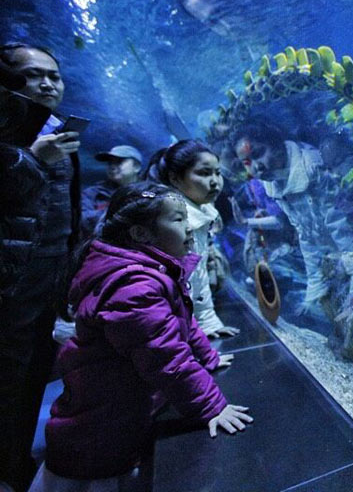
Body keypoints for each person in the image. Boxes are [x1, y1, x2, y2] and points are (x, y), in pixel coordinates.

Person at [30, 182, 252, 491]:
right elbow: (166, 357)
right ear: (140, 234)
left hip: (119, 406)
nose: (189, 228)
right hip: (99, 426)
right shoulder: (134, 287)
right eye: (177, 220)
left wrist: (208, 356)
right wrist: (212, 405)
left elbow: (182, 323)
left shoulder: (149, 270)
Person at [0, 43, 81, 492]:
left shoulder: (55, 129)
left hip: (48, 272)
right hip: (12, 277)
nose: (49, 83)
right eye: (34, 75)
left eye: (54, 75)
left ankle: (14, 464)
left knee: (34, 369)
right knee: (8, 371)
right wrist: (34, 157)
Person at [230, 124, 353, 312]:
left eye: (258, 153)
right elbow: (306, 235)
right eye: (247, 162)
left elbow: (338, 222)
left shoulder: (312, 167)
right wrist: (315, 286)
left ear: (277, 143)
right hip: (331, 252)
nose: (256, 166)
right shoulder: (273, 184)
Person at [145, 140, 238, 338]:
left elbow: (197, 273)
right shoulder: (173, 220)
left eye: (217, 172)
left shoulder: (200, 211)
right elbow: (180, 284)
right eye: (204, 173)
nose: (215, 181)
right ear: (175, 179)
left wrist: (208, 323)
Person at [80, 144, 143, 235]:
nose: (112, 166)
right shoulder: (92, 193)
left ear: (136, 167)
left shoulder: (151, 192)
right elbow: (83, 220)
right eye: (110, 163)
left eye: (119, 161)